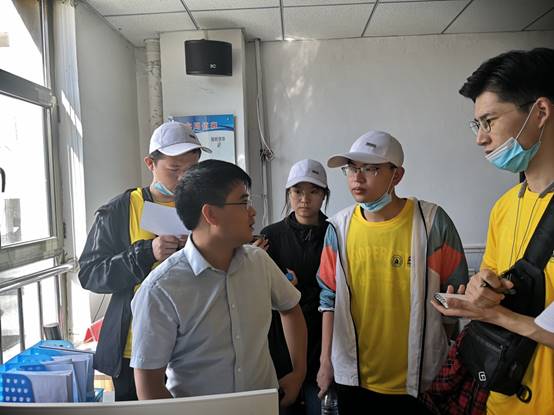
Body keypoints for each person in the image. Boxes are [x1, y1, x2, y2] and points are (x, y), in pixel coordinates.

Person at [431, 47, 554, 415]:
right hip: (499, 400)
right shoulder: (504, 207)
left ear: (540, 112)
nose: (481, 139)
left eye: (489, 121)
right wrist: (480, 292)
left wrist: (496, 316)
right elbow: (492, 285)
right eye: (477, 125)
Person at [130, 159, 308, 404]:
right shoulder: (161, 289)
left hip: (263, 407)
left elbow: (291, 309)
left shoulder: (259, 262)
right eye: (243, 202)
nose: (252, 212)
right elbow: (149, 386)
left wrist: (298, 373)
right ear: (210, 214)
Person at [316, 130, 469, 413]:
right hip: (354, 377)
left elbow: (454, 296)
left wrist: (437, 344)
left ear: (396, 175)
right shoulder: (338, 229)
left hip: (420, 379)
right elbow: (328, 299)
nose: (357, 178)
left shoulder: (431, 223)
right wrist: (326, 362)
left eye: (370, 169)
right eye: (351, 168)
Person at [78, 121, 210, 401]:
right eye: (174, 169)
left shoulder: (206, 207)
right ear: (150, 163)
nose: (183, 178)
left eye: (191, 170)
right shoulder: (121, 209)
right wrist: (147, 252)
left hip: (195, 343)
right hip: (135, 347)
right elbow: (90, 273)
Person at [261, 159, 331, 415]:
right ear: (288, 194)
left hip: (323, 338)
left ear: (324, 195)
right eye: (297, 191)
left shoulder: (335, 233)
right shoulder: (270, 236)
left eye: (314, 191)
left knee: (319, 404)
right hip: (282, 342)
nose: (305, 199)